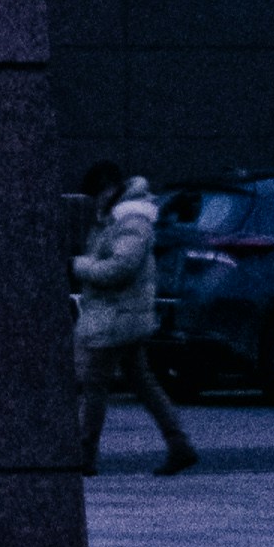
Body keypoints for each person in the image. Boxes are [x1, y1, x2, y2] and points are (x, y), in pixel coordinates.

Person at [73, 166, 198, 473]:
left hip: (116, 317)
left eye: (96, 195)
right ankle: (178, 444)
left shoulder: (132, 220)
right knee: (142, 382)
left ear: (108, 189)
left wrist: (78, 266)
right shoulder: (120, 218)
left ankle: (84, 455)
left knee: (95, 384)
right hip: (121, 315)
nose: (95, 203)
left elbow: (119, 267)